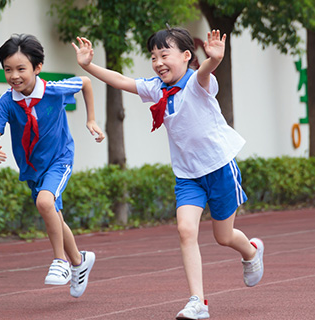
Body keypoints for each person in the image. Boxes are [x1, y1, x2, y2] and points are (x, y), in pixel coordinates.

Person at [72, 28, 264, 319]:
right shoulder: (156, 87)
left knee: (223, 237)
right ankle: (197, 301)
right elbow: (123, 81)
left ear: (186, 57)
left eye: (165, 55)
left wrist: (214, 60)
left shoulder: (198, 83)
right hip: (187, 175)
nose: (158, 62)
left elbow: (204, 73)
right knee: (186, 230)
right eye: (153, 57)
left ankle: (250, 252)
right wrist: (88, 66)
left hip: (219, 168)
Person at [0, 34, 104, 298]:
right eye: (8, 69)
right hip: (32, 168)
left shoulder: (54, 90)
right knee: (53, 213)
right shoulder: (7, 101)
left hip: (59, 159)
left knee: (44, 203)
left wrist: (91, 120)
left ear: (37, 68)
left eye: (21, 69)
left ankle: (60, 260)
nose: (14, 76)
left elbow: (85, 82)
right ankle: (79, 260)